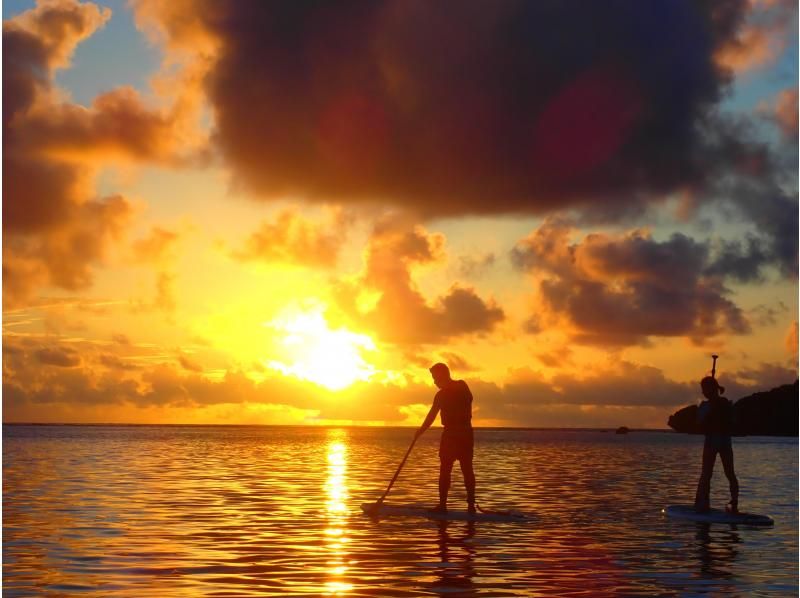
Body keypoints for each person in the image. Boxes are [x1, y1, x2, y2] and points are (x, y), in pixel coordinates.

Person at [415, 362, 476, 513]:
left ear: (443, 375)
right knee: (445, 470)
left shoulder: (461, 386)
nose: (434, 382)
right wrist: (420, 431)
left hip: (463, 433)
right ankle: (442, 505)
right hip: (449, 434)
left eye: (435, 378)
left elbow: (469, 399)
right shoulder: (440, 395)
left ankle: (471, 506)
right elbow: (431, 415)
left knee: (467, 469)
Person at [694, 376, 739, 513]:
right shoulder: (707, 406)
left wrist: (715, 409)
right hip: (717, 442)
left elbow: (733, 421)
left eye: (704, 389)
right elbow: (700, 424)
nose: (703, 392)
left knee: (724, 473)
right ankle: (703, 502)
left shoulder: (724, 404)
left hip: (719, 443)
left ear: (711, 389)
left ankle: (733, 502)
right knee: (709, 474)